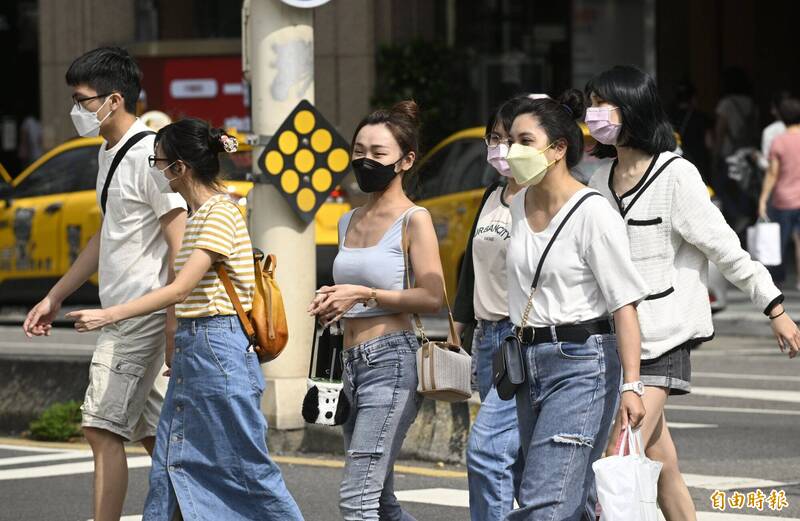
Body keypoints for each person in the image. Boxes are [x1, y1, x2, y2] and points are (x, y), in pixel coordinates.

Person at [586, 65, 800, 521]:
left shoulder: (674, 175)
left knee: (619, 454)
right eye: (591, 103)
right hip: (612, 340)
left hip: (662, 337)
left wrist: (774, 306)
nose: (594, 114)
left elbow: (726, 248)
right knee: (664, 468)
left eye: (603, 104)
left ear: (632, 109)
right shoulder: (599, 181)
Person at [66, 118, 304, 521]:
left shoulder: (219, 214)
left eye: (158, 162)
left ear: (180, 167)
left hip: (218, 344)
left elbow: (180, 289)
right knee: (175, 457)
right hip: (200, 345)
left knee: (242, 463)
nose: (156, 171)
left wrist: (109, 314)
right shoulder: (201, 215)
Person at [22, 47, 187, 521]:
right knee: (157, 437)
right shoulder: (110, 152)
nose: (76, 110)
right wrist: (56, 294)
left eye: (82, 99)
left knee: (100, 429)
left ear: (113, 100)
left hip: (139, 314)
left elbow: (179, 240)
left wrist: (173, 323)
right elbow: (106, 233)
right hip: (130, 312)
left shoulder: (150, 155)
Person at [502, 91, 648, 521]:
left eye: (525, 141)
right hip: (528, 363)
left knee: (546, 500)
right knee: (571, 495)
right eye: (511, 139)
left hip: (582, 363)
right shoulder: (516, 206)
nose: (513, 151)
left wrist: (632, 385)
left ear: (558, 148)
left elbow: (624, 305)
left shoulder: (592, 213)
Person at [307, 101, 444, 521]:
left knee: (357, 498)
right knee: (379, 498)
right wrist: (332, 299)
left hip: (392, 361)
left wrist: (365, 294)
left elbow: (433, 295)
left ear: (406, 160)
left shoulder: (413, 220)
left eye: (378, 153)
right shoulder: (348, 220)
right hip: (347, 364)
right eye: (359, 151)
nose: (366, 161)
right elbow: (353, 289)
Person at [452, 96, 526, 521]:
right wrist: (458, 328)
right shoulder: (491, 196)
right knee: (515, 461)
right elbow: (471, 270)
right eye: (494, 138)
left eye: (512, 139)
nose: (501, 148)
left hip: (521, 339)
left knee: (487, 451)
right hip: (486, 339)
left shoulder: (540, 199)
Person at [712, 67, 760, 231]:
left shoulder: (726, 104)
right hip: (748, 152)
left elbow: (720, 131)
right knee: (745, 187)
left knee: (720, 186)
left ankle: (737, 216)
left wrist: (714, 154)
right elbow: (755, 130)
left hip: (730, 153)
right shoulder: (752, 103)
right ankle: (746, 216)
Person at [759, 97, 800, 288]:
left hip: (782, 200)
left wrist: (762, 199)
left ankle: (778, 281)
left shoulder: (779, 141)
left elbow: (772, 173)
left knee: (779, 243)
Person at [667, 80, 711, 179]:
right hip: (697, 164)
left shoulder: (667, 116)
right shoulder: (701, 117)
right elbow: (709, 143)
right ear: (693, 98)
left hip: (674, 162)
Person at [757, 91, 789, 172]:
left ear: (775, 110)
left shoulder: (770, 131)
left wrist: (757, 158)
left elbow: (767, 164)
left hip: (783, 181)